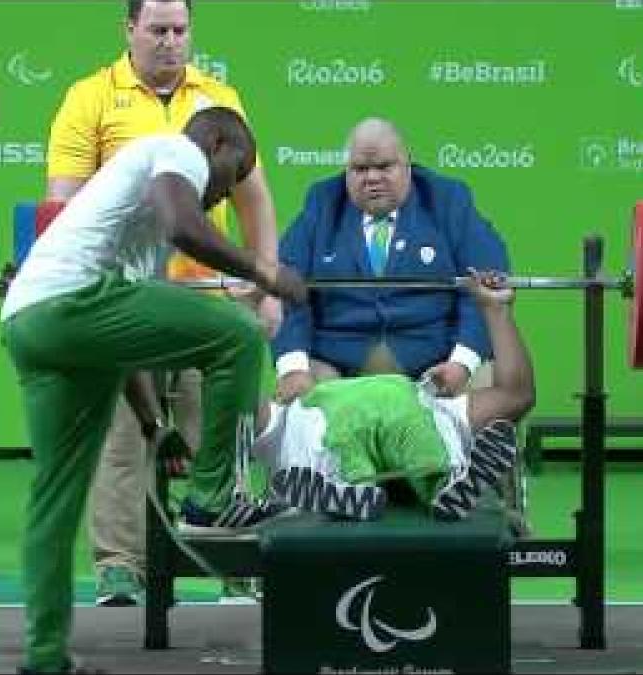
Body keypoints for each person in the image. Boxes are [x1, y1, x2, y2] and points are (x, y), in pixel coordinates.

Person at [1, 107, 307, 675]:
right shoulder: (176, 149)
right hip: (75, 303)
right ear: (216, 143)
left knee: (55, 500)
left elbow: (124, 339)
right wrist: (266, 272)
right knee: (239, 334)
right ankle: (213, 499)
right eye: (230, 176)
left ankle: (45, 657)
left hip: (29, 323)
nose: (222, 196)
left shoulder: (137, 221)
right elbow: (184, 226)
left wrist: (152, 425)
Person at [44, 0, 282, 606]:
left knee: (217, 431)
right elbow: (63, 203)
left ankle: (233, 566)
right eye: (158, 30)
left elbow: (254, 196)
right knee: (123, 435)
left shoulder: (218, 98)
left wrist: (266, 283)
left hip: (205, 301)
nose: (171, 42)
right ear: (129, 30)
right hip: (125, 297)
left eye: (180, 30)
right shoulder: (88, 98)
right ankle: (121, 567)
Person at [254, 270, 533, 522]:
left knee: (401, 438)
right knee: (423, 441)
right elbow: (516, 396)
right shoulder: (437, 412)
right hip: (335, 432)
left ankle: (350, 491)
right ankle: (443, 485)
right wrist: (496, 310)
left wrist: (496, 310)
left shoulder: (437, 408)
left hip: (316, 440)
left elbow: (517, 397)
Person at [273, 118, 510, 404]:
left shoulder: (448, 199)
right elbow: (285, 289)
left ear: (408, 166)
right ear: (346, 171)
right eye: (360, 169)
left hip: (435, 361)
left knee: (488, 382)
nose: (372, 178)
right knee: (298, 396)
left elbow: (484, 286)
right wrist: (294, 368)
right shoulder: (323, 202)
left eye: (384, 167)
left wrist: (461, 364)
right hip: (337, 364)